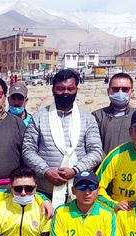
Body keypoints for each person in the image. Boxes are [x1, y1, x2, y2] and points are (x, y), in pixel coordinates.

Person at [23, 69, 103, 207]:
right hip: (45, 190)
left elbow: (96, 152)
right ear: (53, 90)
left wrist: (75, 170)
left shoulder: (87, 119)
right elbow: (28, 150)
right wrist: (46, 171)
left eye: (70, 89)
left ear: (76, 90)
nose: (65, 93)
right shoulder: (39, 117)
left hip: (80, 190)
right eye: (60, 89)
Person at [92, 72, 135, 156]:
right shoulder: (97, 116)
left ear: (131, 92)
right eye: (115, 89)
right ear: (108, 91)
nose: (120, 92)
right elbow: (93, 147)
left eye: (125, 89)